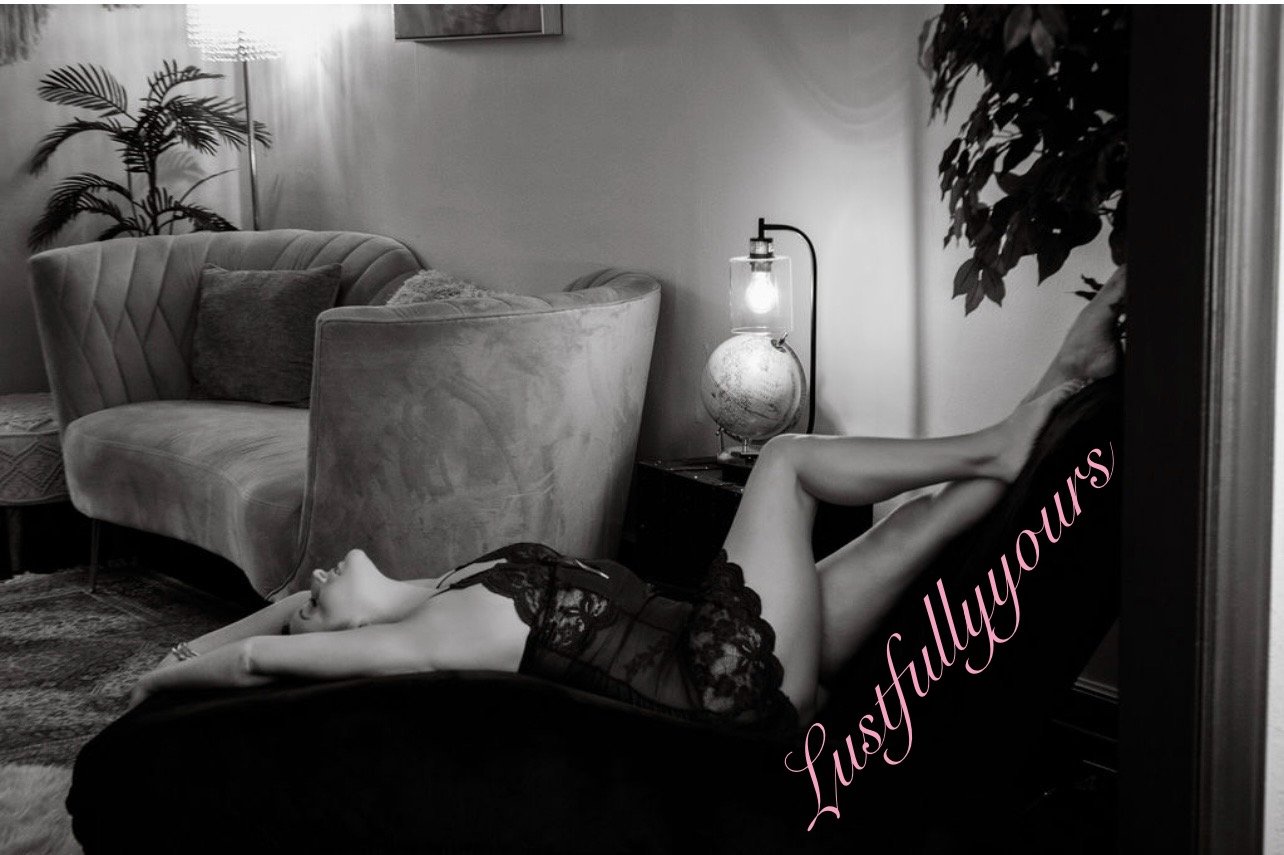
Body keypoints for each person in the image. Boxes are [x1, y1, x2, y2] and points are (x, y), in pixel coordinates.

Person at [129, 267, 1126, 735]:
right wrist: (155, 689)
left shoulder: (445, 585)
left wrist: (192, 648)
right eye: (316, 604)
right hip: (727, 683)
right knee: (784, 462)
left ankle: (1051, 394)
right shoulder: (424, 638)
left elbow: (275, 615)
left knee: (922, 518)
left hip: (717, 643)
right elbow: (259, 655)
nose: (313, 580)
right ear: (342, 635)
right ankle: (1007, 430)